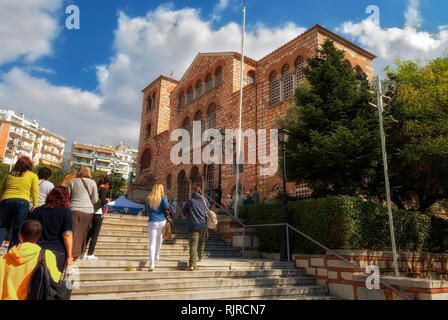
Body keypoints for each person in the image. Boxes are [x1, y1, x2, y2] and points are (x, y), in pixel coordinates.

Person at [0, 220, 60, 300]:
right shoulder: (47, 256)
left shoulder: (4, 259)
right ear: (38, 237)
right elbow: (55, 279)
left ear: (20, 236)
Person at [28, 186, 73, 272]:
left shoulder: (37, 211)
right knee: (52, 281)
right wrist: (70, 256)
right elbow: (67, 235)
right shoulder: (66, 212)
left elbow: (29, 231)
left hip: (37, 250)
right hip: (57, 252)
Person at [0, 156, 39, 249]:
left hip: (6, 200)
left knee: (3, 226)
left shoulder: (10, 174)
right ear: (29, 165)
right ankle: (12, 251)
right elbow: (34, 191)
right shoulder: (32, 175)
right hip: (22, 202)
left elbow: (1, 189)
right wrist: (35, 204)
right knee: (18, 229)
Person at [67, 166, 98, 260]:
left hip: (74, 209)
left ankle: (70, 252)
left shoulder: (72, 181)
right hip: (88, 211)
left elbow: (67, 196)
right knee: (84, 233)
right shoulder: (92, 182)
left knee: (73, 231)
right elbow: (95, 199)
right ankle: (78, 253)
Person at [182, 185, 209, 271]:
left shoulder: (190, 201)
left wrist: (186, 215)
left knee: (193, 245)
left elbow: (183, 211)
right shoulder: (204, 200)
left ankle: (192, 265)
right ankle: (200, 257)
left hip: (193, 225)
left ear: (193, 192)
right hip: (204, 224)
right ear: (200, 191)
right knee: (202, 241)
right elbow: (208, 207)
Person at [85, 176, 111, 261]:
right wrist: (107, 200)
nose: (108, 188)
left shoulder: (95, 188)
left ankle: (82, 252)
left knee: (88, 233)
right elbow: (103, 201)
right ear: (107, 184)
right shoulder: (102, 190)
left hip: (91, 212)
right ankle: (90, 253)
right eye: (109, 186)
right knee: (95, 235)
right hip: (98, 214)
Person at [145, 184, 169, 271]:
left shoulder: (148, 197)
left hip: (152, 221)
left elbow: (147, 210)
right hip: (162, 221)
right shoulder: (163, 196)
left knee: (152, 243)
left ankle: (152, 263)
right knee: (160, 238)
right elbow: (166, 207)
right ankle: (157, 253)